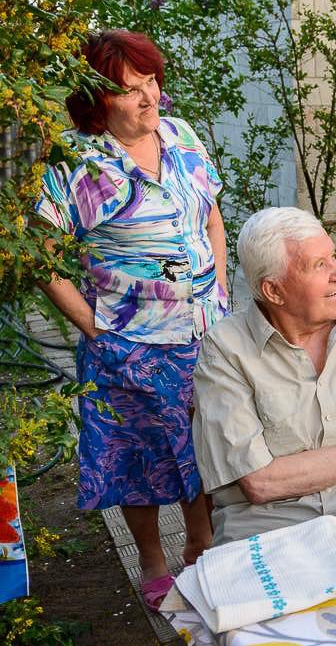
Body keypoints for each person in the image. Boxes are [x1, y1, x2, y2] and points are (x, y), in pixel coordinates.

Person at [35, 30, 226, 609]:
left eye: (152, 82)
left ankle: (201, 542)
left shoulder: (181, 133)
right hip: (128, 343)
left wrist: (218, 280)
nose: (151, 99)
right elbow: (41, 257)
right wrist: (94, 326)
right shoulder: (73, 160)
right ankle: (152, 558)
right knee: (133, 456)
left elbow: (210, 212)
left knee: (205, 446)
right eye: (131, 91)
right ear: (97, 102)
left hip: (205, 332)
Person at [191, 207, 336, 545]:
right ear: (274, 291)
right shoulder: (225, 352)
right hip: (278, 531)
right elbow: (260, 482)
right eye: (319, 265)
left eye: (333, 258)